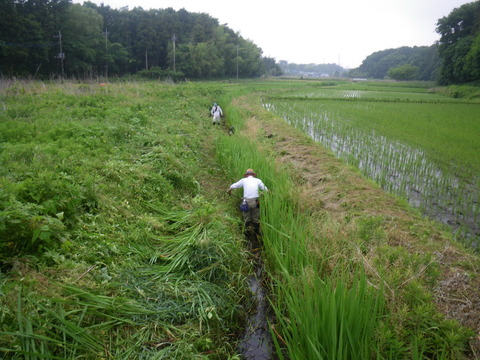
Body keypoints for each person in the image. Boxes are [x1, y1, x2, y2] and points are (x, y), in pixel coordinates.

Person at [227, 169, 268, 241]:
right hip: (255, 202)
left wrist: (229, 190)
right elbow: (266, 190)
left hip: (246, 202)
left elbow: (234, 186)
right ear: (253, 175)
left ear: (246, 175)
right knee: (256, 218)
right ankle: (256, 235)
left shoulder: (243, 180)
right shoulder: (258, 180)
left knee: (246, 218)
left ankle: (248, 235)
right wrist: (262, 194)